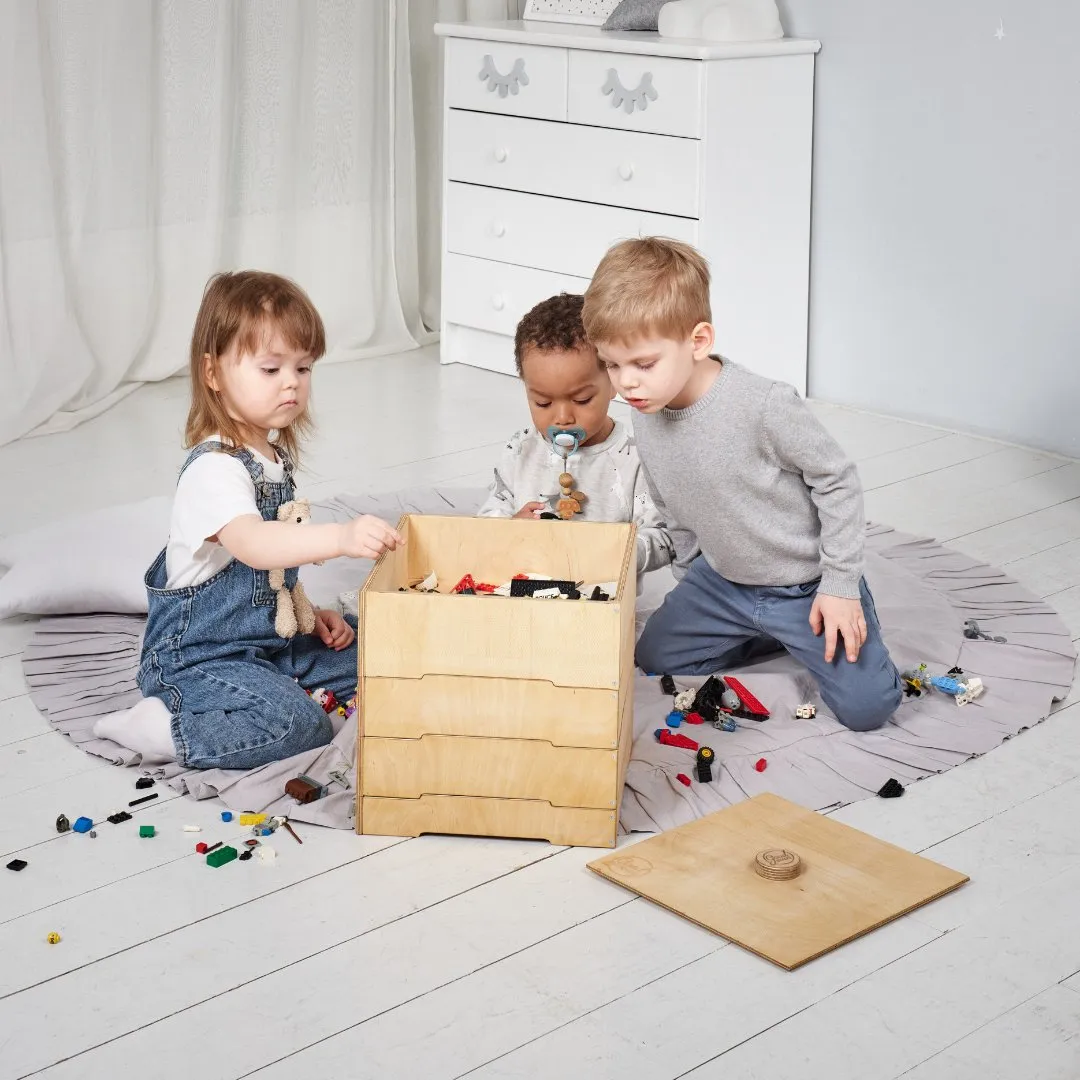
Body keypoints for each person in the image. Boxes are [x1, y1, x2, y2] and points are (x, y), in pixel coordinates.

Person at [582, 238, 902, 731]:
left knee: (868, 709)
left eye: (643, 364)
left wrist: (838, 585)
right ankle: (767, 632)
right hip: (723, 583)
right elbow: (671, 498)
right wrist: (691, 575)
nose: (626, 384)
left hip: (803, 585)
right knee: (655, 657)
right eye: (611, 365)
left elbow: (836, 480)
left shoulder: (764, 405)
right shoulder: (645, 407)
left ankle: (824, 617)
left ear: (699, 341)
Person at [96, 271, 402, 768]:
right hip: (199, 658)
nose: (292, 383)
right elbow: (256, 545)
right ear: (213, 374)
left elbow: (271, 575)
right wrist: (341, 537)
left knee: (374, 658)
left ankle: (289, 677)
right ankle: (159, 727)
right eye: (270, 369)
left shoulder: (270, 457)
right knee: (298, 727)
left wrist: (310, 612)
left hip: (266, 645)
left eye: (303, 368)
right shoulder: (214, 469)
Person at [478, 292, 674, 575]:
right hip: (525, 586)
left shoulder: (636, 458)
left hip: (601, 597)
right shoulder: (521, 448)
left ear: (614, 380)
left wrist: (620, 550)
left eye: (581, 400)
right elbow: (488, 514)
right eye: (542, 403)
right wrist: (510, 529)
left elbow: (664, 537)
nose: (562, 418)